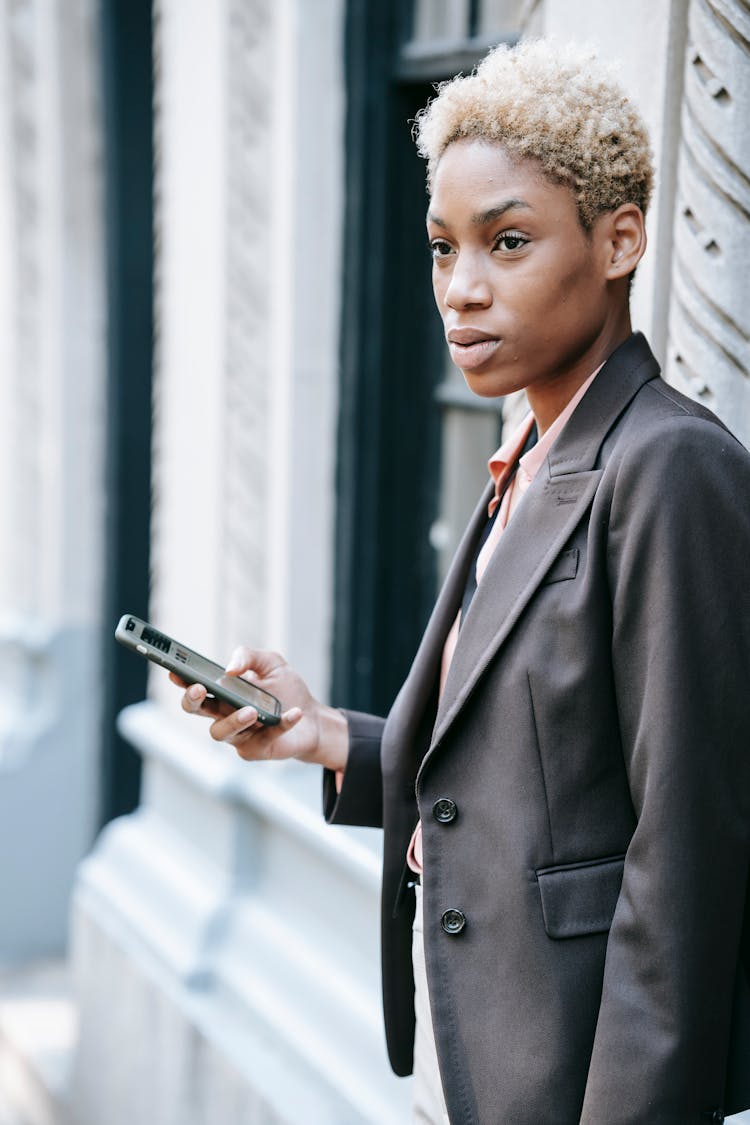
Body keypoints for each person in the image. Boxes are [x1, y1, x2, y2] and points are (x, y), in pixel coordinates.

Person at [173, 39, 750, 1125]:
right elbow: (524, 773)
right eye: (443, 249)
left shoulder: (671, 466)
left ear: (619, 240)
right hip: (483, 1039)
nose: (461, 289)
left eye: (510, 241)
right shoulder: (529, 457)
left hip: (586, 1072)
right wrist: (322, 736)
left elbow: (687, 860)